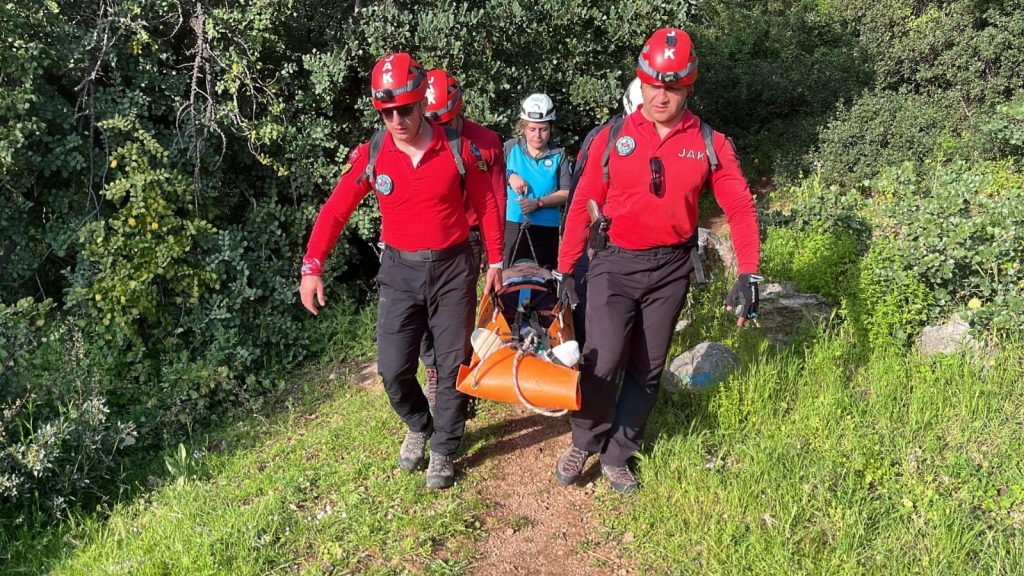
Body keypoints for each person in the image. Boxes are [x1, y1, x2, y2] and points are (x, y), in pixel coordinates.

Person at [552, 28, 763, 495]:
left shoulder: (710, 143)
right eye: (652, 83)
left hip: (670, 269)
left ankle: (618, 454)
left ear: (688, 86)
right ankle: (584, 440)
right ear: (640, 82)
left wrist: (749, 272)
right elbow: (583, 199)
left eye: (671, 85)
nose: (660, 94)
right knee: (600, 361)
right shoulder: (613, 136)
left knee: (647, 368)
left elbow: (741, 209)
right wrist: (566, 268)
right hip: (613, 263)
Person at [298, 53, 504, 490]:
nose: (396, 119)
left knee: (450, 365)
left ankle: (445, 449)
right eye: (387, 112)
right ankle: (419, 424)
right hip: (399, 270)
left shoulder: (456, 148)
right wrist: (312, 266)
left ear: (421, 103)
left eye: (405, 109)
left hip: (452, 268)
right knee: (393, 369)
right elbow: (336, 211)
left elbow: (487, 204)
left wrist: (497, 261)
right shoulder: (374, 153)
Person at [419, 68, 506, 411]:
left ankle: (460, 377)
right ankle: (434, 374)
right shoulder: (417, 139)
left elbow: (495, 199)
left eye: (448, 123)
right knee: (422, 314)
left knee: (457, 316)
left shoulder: (485, 142)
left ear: (461, 109)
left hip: (467, 239)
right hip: (425, 241)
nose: (441, 133)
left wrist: (496, 257)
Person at [563, 77, 643, 347]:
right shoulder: (603, 137)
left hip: (642, 249)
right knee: (591, 322)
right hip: (600, 244)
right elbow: (579, 194)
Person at [502, 93, 572, 269]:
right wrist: (510, 175)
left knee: (543, 281)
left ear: (551, 127)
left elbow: (566, 192)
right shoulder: (510, 148)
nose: (538, 135)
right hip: (513, 223)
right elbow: (491, 173)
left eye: (543, 129)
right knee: (508, 280)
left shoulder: (559, 154)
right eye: (532, 129)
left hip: (547, 228)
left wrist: (538, 203)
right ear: (523, 127)